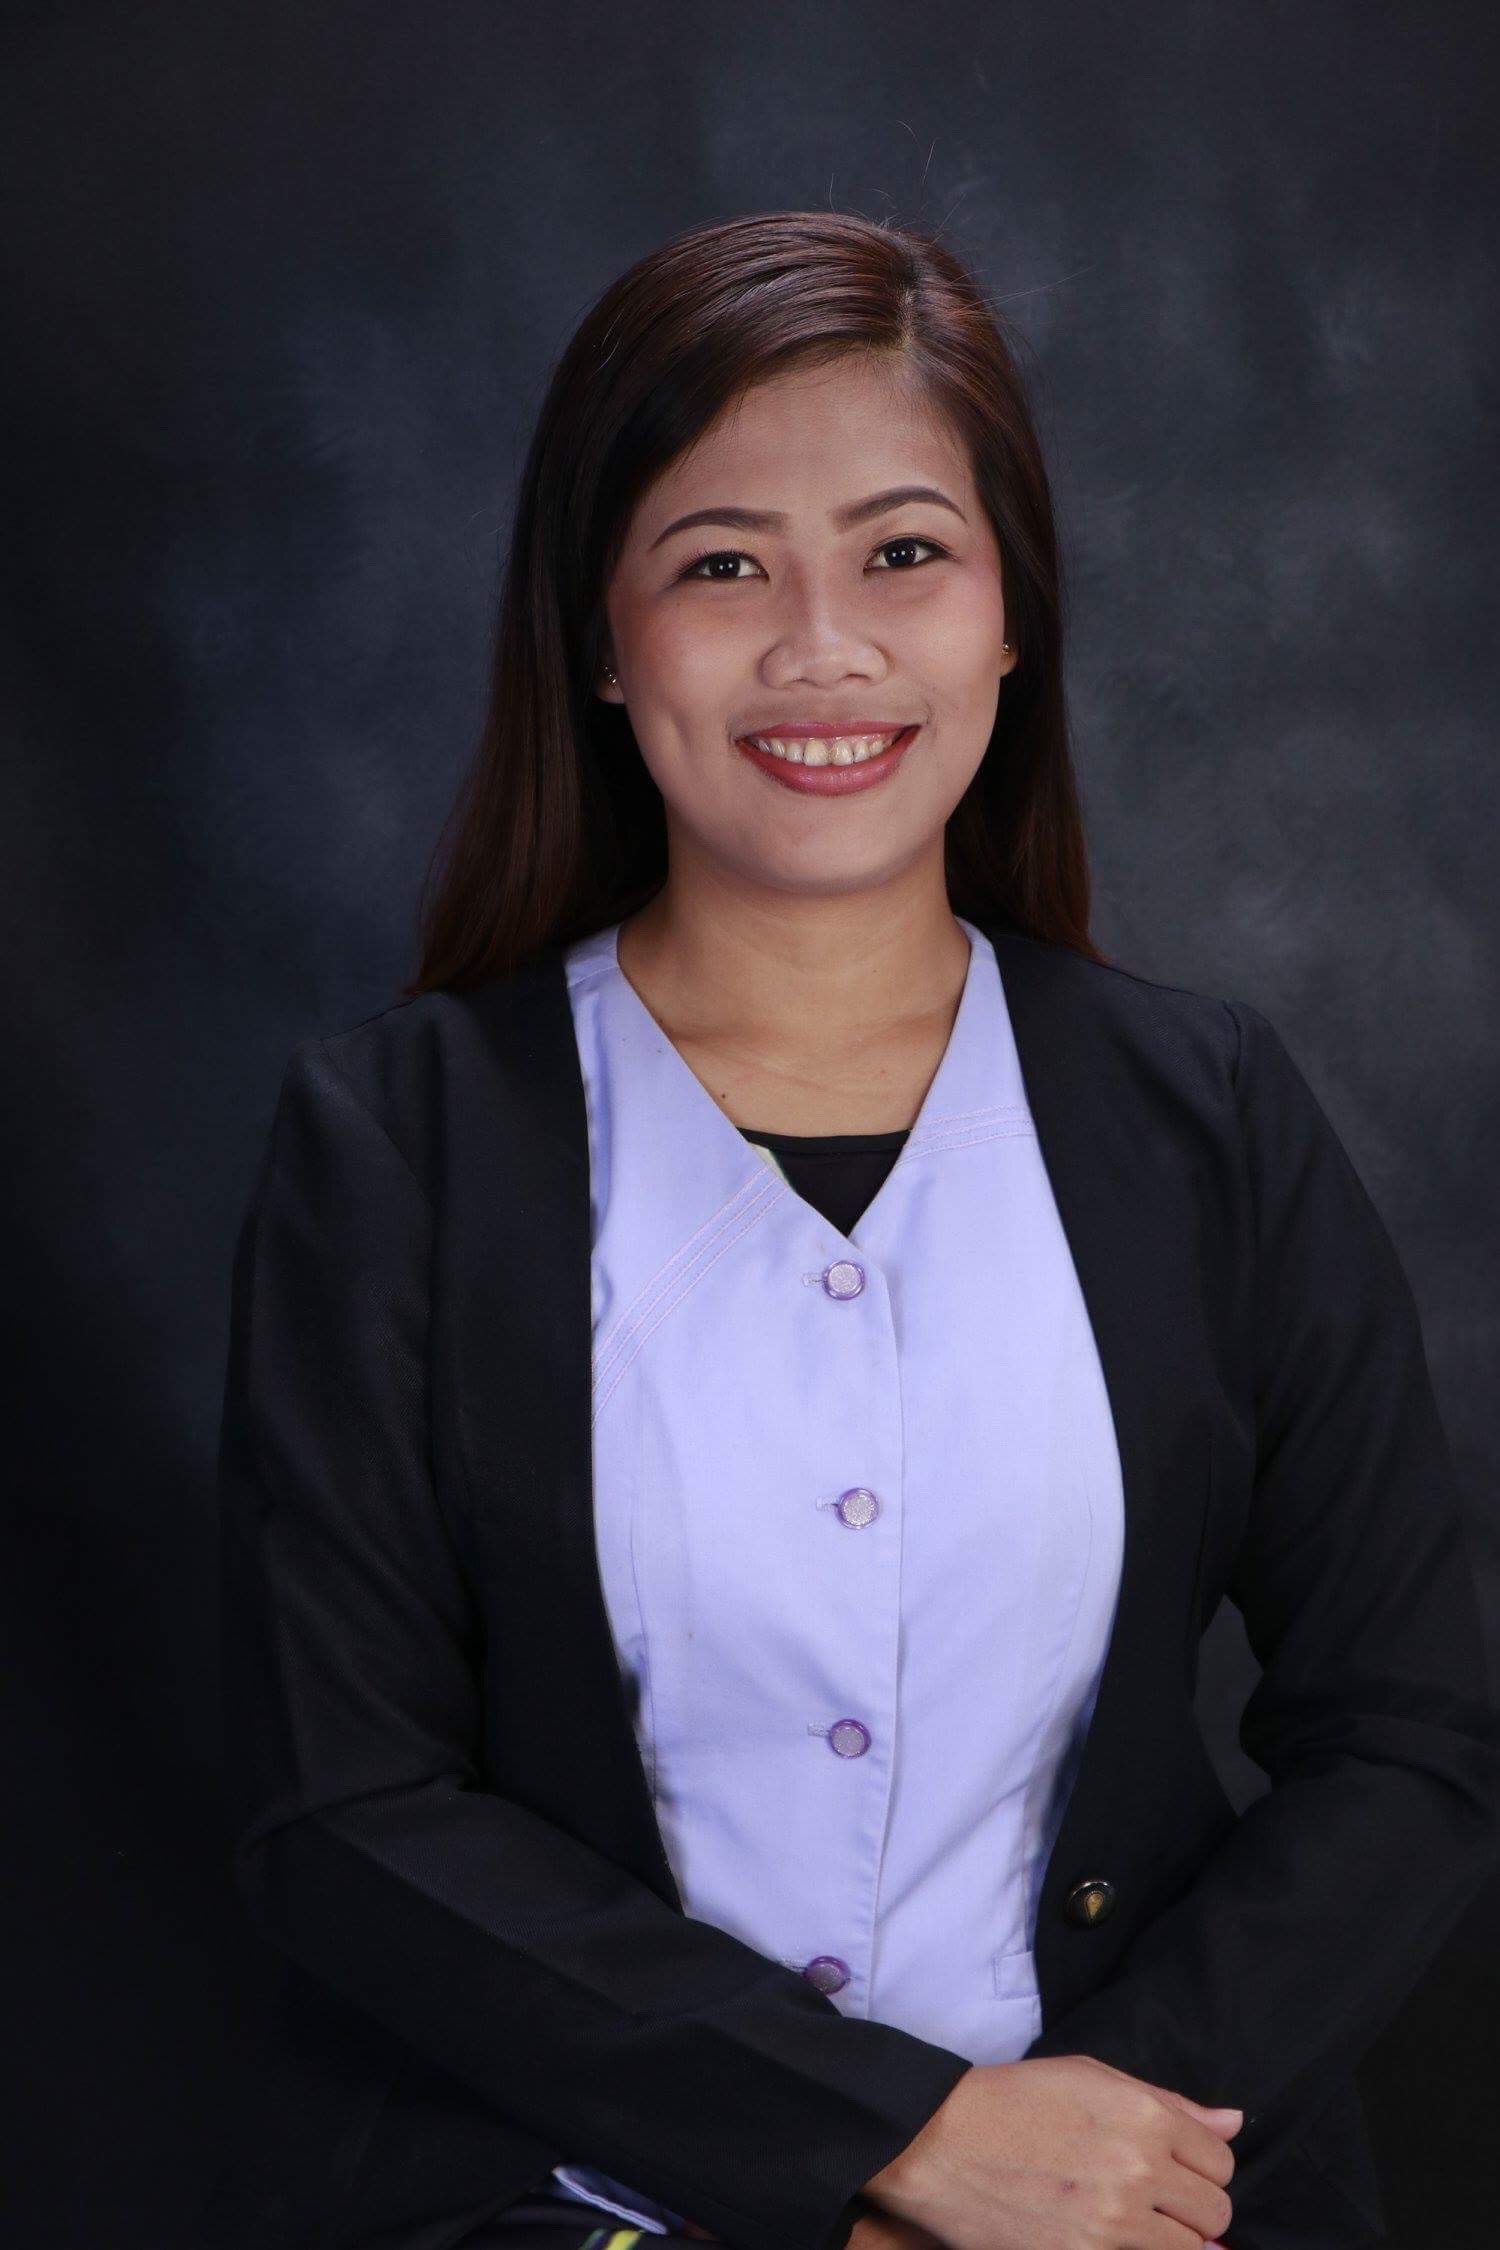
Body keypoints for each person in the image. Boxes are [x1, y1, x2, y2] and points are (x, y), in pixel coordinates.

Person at [194, 212, 1499, 2250]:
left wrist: (1098, 2149)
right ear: (602, 642)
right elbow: (342, 1810)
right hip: (571, 2206)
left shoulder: (1209, 1116)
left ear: (1011, 620)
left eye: (904, 552)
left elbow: (1409, 1737)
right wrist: (896, 2145)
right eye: (722, 566)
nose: (823, 647)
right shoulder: (400, 1143)